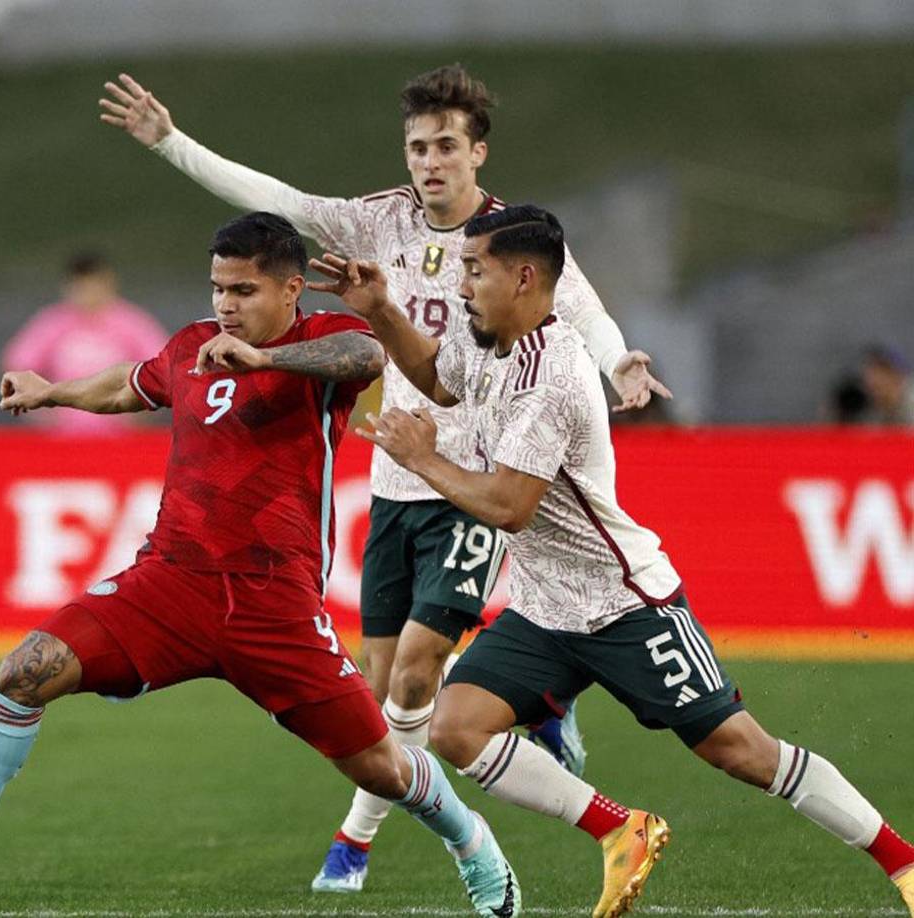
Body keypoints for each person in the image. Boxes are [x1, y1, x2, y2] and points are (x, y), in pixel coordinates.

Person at [100, 63, 670, 892]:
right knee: (379, 684)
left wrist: (620, 359)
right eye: (416, 147)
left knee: (413, 671)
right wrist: (172, 143)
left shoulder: (513, 240)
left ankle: (355, 841)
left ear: (477, 152)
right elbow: (284, 200)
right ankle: (540, 697)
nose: (428, 162)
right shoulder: (378, 224)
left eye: (445, 146)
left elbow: (578, 305)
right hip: (396, 477)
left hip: (471, 473)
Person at [0, 213, 520, 917]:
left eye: (244, 289)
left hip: (273, 604)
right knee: (24, 671)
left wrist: (269, 361)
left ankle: (471, 842)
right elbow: (129, 385)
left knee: (380, 767)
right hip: (167, 584)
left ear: (292, 289)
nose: (225, 304)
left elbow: (366, 357)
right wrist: (54, 391)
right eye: (217, 288)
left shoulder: (317, 344)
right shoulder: (194, 346)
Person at [309, 204, 914, 918]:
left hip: (622, 601)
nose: (461, 285)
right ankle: (618, 827)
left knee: (741, 752)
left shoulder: (552, 378)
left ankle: (902, 863)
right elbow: (440, 378)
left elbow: (509, 507)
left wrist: (423, 458)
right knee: (455, 727)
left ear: (525, 278)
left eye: (475, 270)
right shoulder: (490, 335)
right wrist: (380, 309)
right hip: (544, 606)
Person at [1, 250, 168, 435]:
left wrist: (139, 416)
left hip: (119, 438)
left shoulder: (131, 323)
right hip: (64, 438)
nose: (89, 293)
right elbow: (15, 367)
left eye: (94, 285)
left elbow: (164, 371)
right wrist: (42, 416)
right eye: (83, 287)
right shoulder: (53, 323)